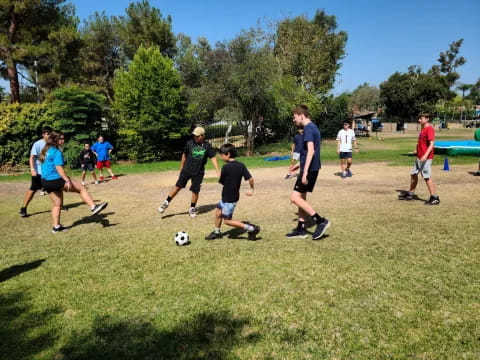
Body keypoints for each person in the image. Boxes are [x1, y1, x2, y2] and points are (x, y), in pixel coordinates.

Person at [39, 131, 108, 233]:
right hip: (56, 179)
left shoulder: (46, 150)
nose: (63, 140)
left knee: (57, 204)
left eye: (63, 138)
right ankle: (93, 207)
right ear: (55, 140)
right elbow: (59, 168)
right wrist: (67, 181)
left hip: (45, 181)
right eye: (61, 139)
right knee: (81, 188)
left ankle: (56, 227)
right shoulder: (57, 152)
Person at [287, 105, 331, 240]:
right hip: (311, 168)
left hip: (310, 169)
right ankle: (301, 228)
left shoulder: (308, 129)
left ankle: (320, 221)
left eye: (294, 117)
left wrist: (304, 172)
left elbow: (311, 151)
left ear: (301, 115)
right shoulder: (313, 127)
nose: (294, 120)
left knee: (294, 198)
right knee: (302, 197)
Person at [158, 127, 220, 218]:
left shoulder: (207, 146)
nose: (195, 137)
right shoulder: (189, 143)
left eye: (197, 136)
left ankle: (192, 208)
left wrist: (217, 170)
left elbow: (213, 157)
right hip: (187, 170)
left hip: (198, 172)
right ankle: (166, 202)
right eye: (194, 135)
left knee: (195, 190)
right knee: (178, 186)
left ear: (202, 136)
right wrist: (181, 166)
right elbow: (184, 155)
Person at [205, 144, 260, 240]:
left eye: (222, 155)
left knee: (227, 221)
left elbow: (221, 182)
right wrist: (252, 189)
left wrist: (220, 176)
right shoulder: (241, 165)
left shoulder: (225, 167)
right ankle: (217, 232)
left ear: (228, 154)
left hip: (228, 199)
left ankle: (251, 229)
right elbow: (250, 179)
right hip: (231, 197)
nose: (221, 157)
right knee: (218, 212)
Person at [398, 113, 440, 205]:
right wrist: (416, 150)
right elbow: (422, 142)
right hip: (419, 157)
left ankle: (434, 197)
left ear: (427, 119)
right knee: (413, 174)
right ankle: (411, 194)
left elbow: (432, 144)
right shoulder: (423, 129)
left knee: (426, 177)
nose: (419, 120)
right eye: (419, 119)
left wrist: (425, 155)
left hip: (425, 158)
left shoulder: (429, 129)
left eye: (421, 119)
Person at [19, 126, 52, 217]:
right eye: (47, 134)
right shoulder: (37, 144)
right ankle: (23, 208)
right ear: (43, 134)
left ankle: (58, 205)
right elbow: (32, 157)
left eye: (50, 134)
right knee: (33, 189)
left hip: (48, 171)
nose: (49, 136)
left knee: (53, 188)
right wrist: (33, 170)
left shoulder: (52, 144)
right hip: (39, 171)